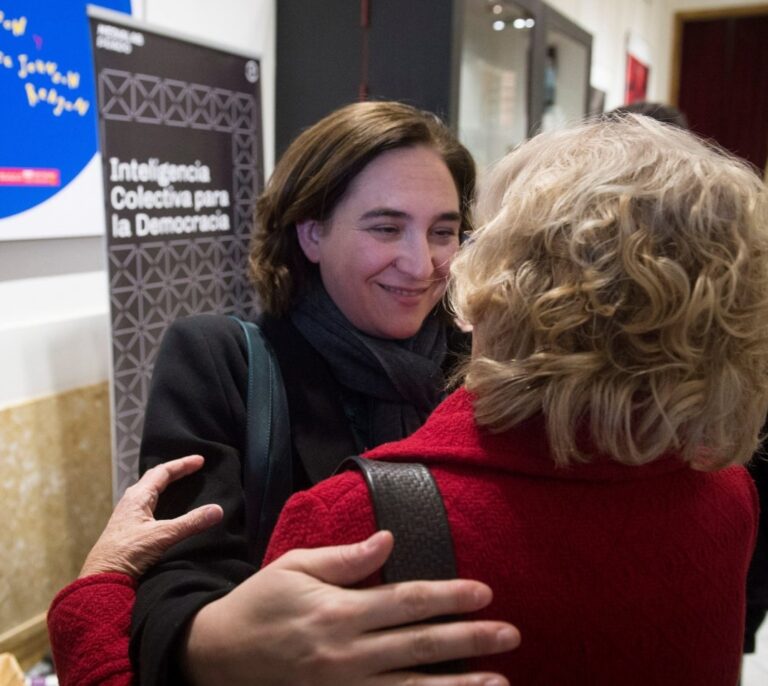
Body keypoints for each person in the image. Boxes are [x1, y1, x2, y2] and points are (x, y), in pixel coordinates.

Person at [263, 115, 768, 684]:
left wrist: (138, 586)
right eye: (385, 228)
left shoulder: (355, 523)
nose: (426, 262)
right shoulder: (726, 491)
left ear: (501, 278)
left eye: (455, 234)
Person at [130, 101, 519, 686]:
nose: (422, 264)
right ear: (311, 233)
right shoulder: (226, 361)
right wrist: (221, 643)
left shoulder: (481, 367)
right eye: (386, 228)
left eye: (443, 232)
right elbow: (171, 596)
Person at [48, 455, 515, 686]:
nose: (421, 267)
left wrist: (98, 582)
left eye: (446, 256)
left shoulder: (335, 512)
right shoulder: (219, 351)